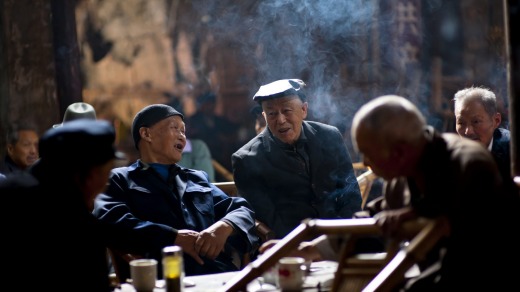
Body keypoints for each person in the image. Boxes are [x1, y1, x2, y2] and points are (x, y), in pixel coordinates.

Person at [261, 95, 520, 291]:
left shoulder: (468, 161)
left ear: (398, 152)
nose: (366, 163)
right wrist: (306, 249)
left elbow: (457, 219)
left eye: (368, 153)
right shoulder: (406, 172)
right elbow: (374, 218)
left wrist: (411, 215)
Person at [92, 104, 260, 279]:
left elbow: (241, 209)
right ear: (146, 134)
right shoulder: (120, 179)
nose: (183, 137)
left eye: (184, 131)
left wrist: (223, 227)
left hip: (216, 273)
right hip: (160, 277)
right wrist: (172, 237)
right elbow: (109, 220)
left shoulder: (195, 178)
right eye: (175, 128)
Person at [0, 119, 128, 291]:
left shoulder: (11, 190)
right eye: (106, 173)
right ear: (88, 175)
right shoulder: (76, 226)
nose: (105, 184)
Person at [232, 79, 362, 239]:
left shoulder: (330, 136)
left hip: (340, 236)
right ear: (264, 116)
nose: (280, 120)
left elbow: (351, 193)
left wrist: (339, 237)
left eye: (287, 110)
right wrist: (300, 247)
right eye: (271, 113)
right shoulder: (247, 160)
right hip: (290, 245)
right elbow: (268, 218)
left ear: (304, 109)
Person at [453, 86, 512, 180]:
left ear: (496, 121)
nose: (468, 132)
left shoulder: (512, 151)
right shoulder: (450, 155)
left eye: (476, 121)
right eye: (461, 123)